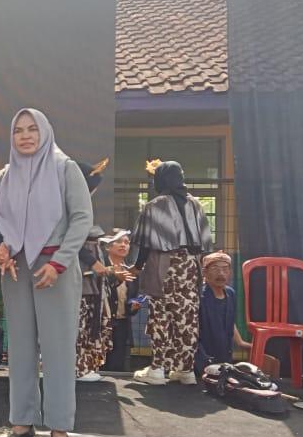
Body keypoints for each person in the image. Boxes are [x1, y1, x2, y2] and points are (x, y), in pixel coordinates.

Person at [0, 108, 93, 437]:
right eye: (18, 130)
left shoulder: (65, 169)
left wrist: (59, 263)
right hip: (16, 270)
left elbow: (82, 219)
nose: (25, 136)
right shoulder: (5, 176)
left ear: (45, 132)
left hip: (54, 269)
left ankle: (60, 427)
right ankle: (21, 421)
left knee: (57, 348)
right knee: (20, 346)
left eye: (32, 129)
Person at [131, 160, 212, 386]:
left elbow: (146, 244)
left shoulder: (155, 206)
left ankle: (157, 369)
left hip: (164, 265)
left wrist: (137, 267)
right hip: (191, 266)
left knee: (161, 316)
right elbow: (205, 242)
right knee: (187, 317)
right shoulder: (196, 204)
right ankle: (185, 370)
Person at [195, 251, 252, 377]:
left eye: (225, 269)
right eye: (215, 269)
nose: (221, 273)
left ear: (230, 273)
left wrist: (240, 342)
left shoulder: (230, 293)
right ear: (204, 272)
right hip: (202, 360)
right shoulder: (198, 296)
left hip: (225, 358)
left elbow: (230, 321)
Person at [100, 229, 141, 372]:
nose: (123, 245)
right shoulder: (100, 266)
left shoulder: (131, 270)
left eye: (127, 242)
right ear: (108, 246)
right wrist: (114, 277)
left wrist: (134, 305)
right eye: (119, 241)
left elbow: (134, 295)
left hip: (122, 323)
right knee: (99, 364)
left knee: (117, 366)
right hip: (102, 324)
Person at [75, 226, 110, 382]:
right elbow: (73, 243)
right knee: (79, 328)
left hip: (88, 284)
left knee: (85, 327)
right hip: (80, 283)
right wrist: (93, 262)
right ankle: (78, 368)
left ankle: (82, 366)